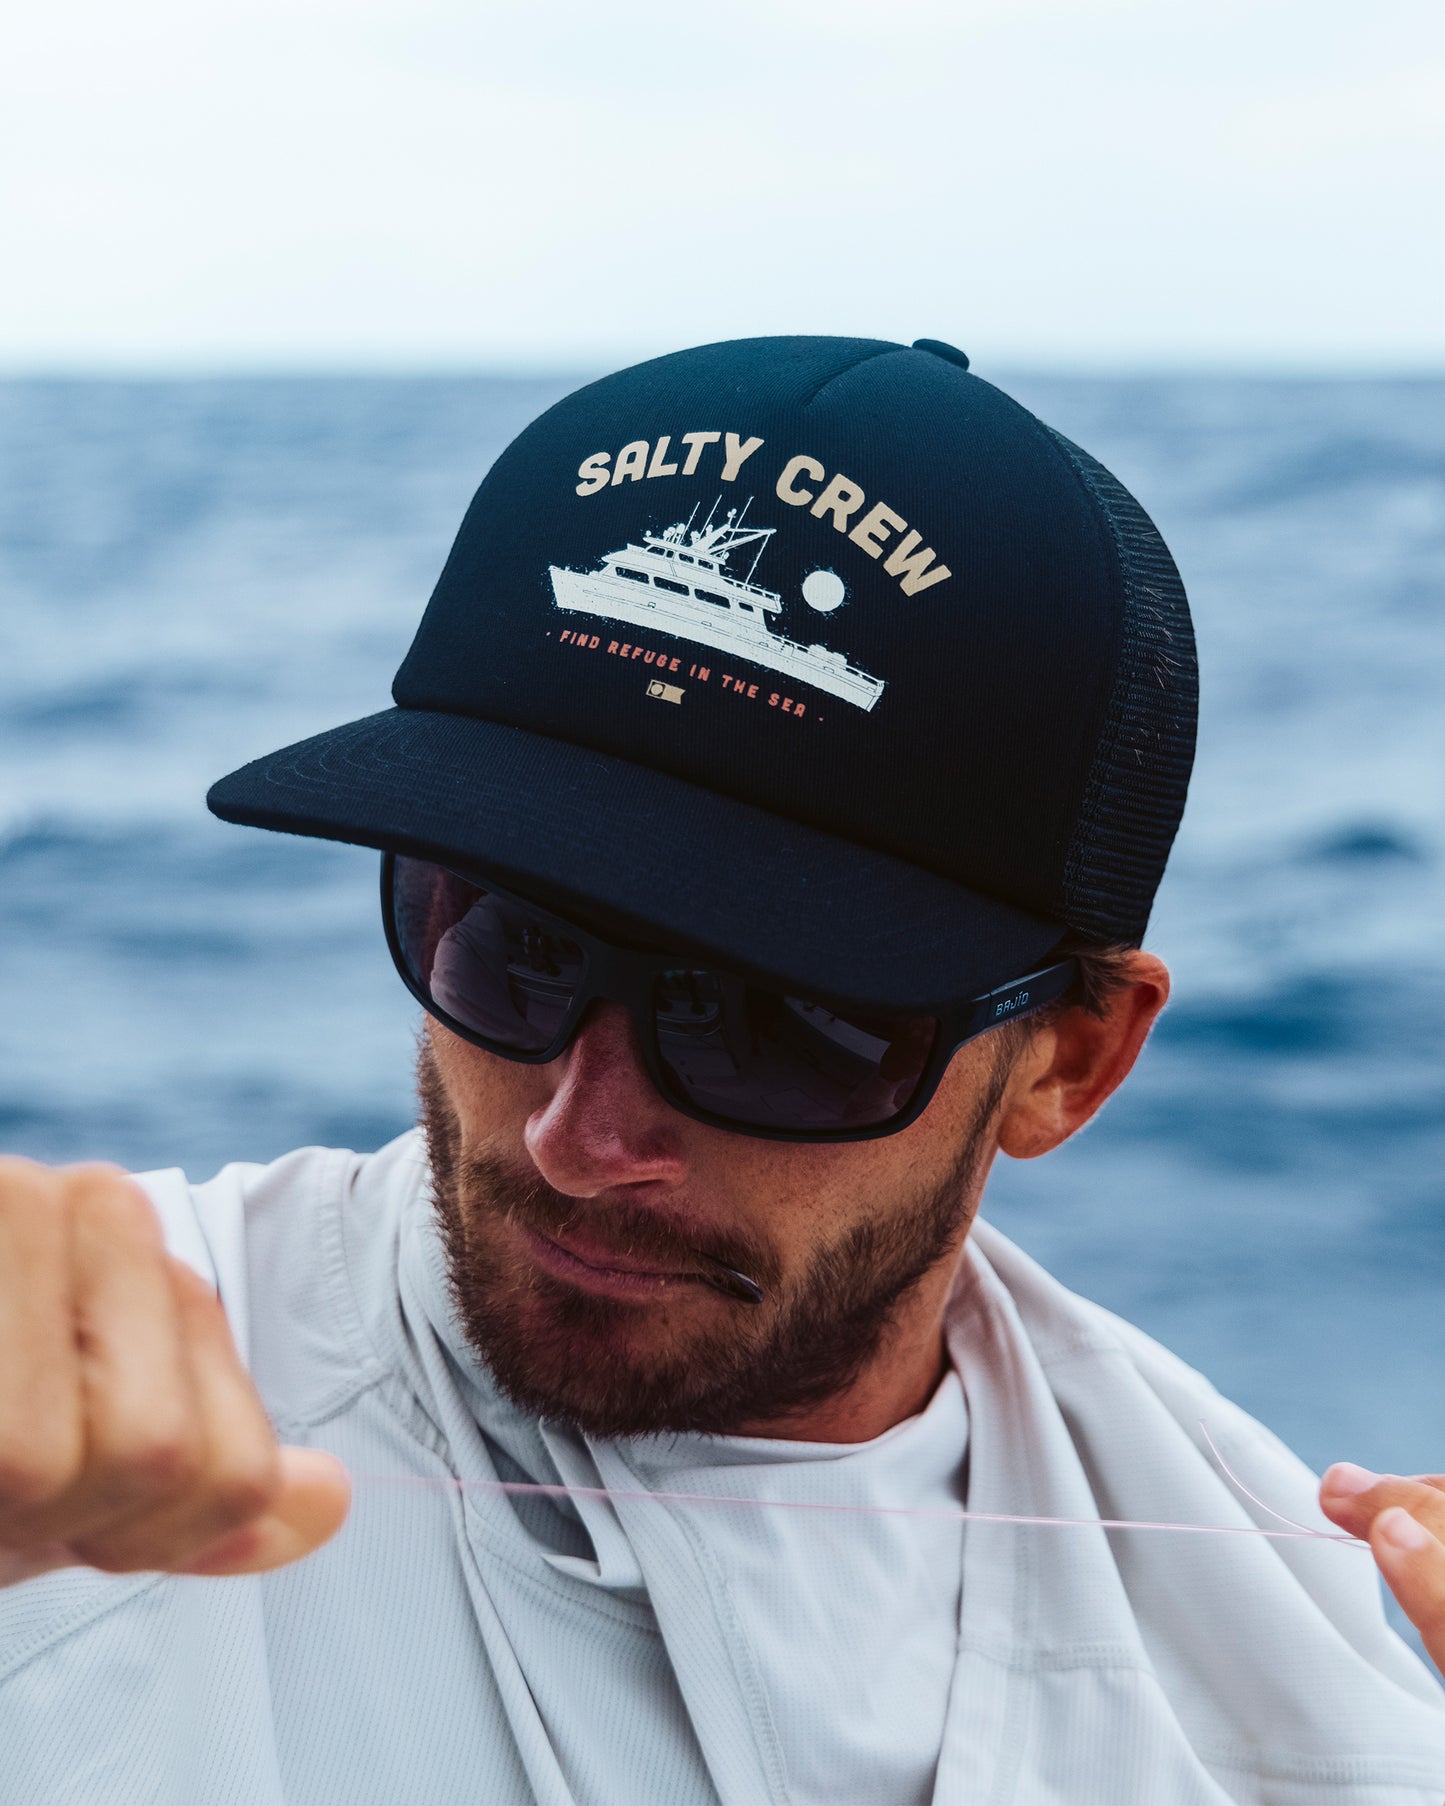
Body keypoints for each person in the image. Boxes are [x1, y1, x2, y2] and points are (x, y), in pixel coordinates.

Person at [0, 335, 1442, 1804]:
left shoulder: (1323, 1712)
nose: (577, 1137)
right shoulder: (69, 1427)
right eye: (511, 947)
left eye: (773, 1022)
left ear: (1067, 1061)